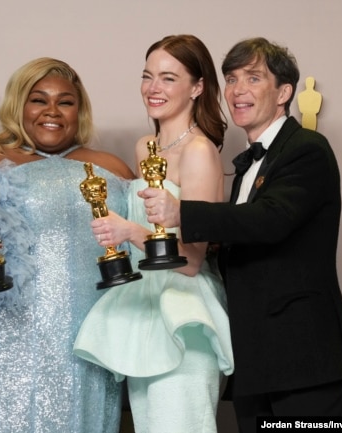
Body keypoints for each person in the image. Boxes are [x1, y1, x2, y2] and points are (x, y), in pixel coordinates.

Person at [139, 37, 342, 433]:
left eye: (254, 78)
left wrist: (181, 212)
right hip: (256, 358)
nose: (238, 90)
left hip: (302, 357)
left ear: (284, 92)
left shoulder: (307, 149)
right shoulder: (248, 164)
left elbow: (270, 220)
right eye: (231, 78)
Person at [0, 57, 134, 432]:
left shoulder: (111, 167)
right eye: (38, 99)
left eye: (65, 101)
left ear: (79, 111)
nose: (52, 111)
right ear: (18, 105)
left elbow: (147, 242)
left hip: (87, 345)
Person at [74, 34, 234, 433]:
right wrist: (116, 226)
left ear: (197, 87)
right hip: (142, 308)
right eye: (148, 77)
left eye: (168, 78)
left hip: (184, 312)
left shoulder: (199, 151)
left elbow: (193, 260)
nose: (153, 89)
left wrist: (129, 231)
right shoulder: (145, 147)